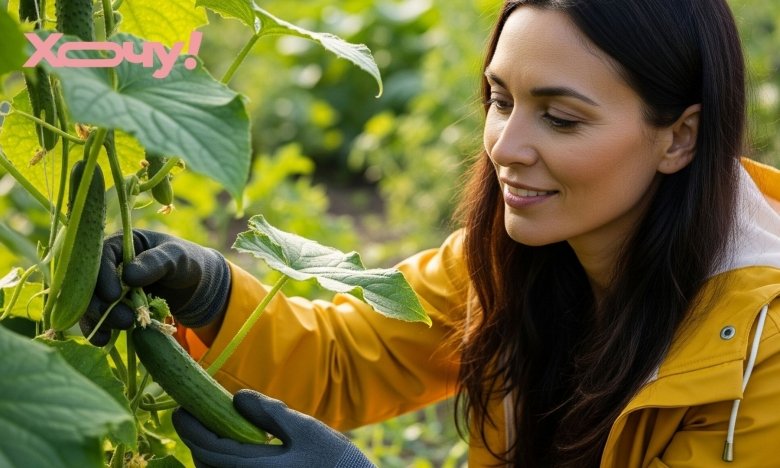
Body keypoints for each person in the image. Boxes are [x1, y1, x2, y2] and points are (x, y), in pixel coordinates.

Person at [82, 0, 780, 466]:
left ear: (680, 137)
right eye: (501, 100)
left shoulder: (764, 348)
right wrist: (209, 296)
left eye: (561, 118)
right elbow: (349, 359)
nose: (506, 145)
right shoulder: (517, 257)